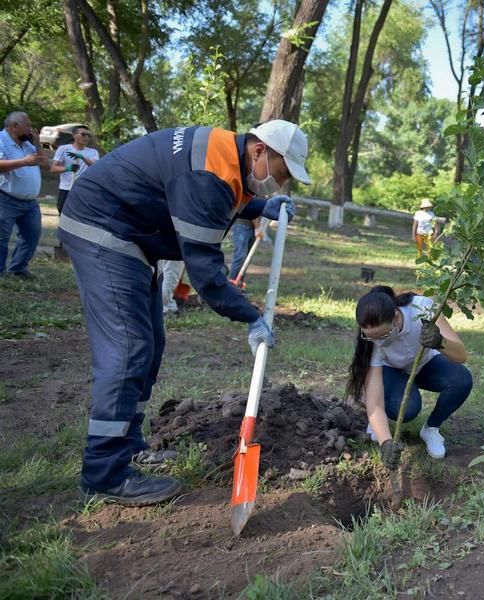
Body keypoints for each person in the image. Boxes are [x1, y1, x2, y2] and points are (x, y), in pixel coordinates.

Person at [60, 120, 307, 505]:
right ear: (260, 150)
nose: (281, 182)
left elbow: (223, 194)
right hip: (103, 227)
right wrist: (250, 316)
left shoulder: (225, 155)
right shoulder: (209, 172)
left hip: (129, 232)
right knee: (128, 348)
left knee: (150, 344)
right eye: (282, 172)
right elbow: (206, 273)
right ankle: (104, 472)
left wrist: (261, 206)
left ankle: (127, 445)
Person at [346, 286, 472, 466]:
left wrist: (440, 342)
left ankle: (431, 429)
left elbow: (461, 355)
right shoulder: (372, 342)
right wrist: (386, 443)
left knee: (461, 380)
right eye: (371, 337)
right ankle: (378, 424)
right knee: (407, 409)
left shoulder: (422, 309)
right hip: (392, 371)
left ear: (396, 317)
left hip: (425, 364)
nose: (378, 342)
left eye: (383, 335)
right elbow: (374, 402)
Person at [0, 111, 48, 278]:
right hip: (5, 198)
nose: (31, 129)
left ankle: (18, 269)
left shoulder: (27, 144)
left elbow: (43, 162)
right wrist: (24, 161)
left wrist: (37, 143)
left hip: (30, 202)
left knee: (31, 235)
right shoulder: (1, 140)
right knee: (1, 237)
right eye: (28, 125)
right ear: (14, 126)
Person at [50, 125, 99, 214]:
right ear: (74, 135)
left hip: (83, 189)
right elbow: (53, 168)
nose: (86, 137)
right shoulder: (64, 149)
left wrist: (82, 157)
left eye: (88, 135)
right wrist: (68, 168)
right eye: (83, 134)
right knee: (63, 214)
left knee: (81, 216)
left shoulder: (93, 152)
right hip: (66, 188)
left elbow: (95, 168)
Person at [229, 217, 263, 284]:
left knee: (246, 258)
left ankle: (239, 284)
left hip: (251, 227)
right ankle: (232, 284)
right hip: (242, 225)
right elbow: (253, 212)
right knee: (240, 256)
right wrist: (257, 227)